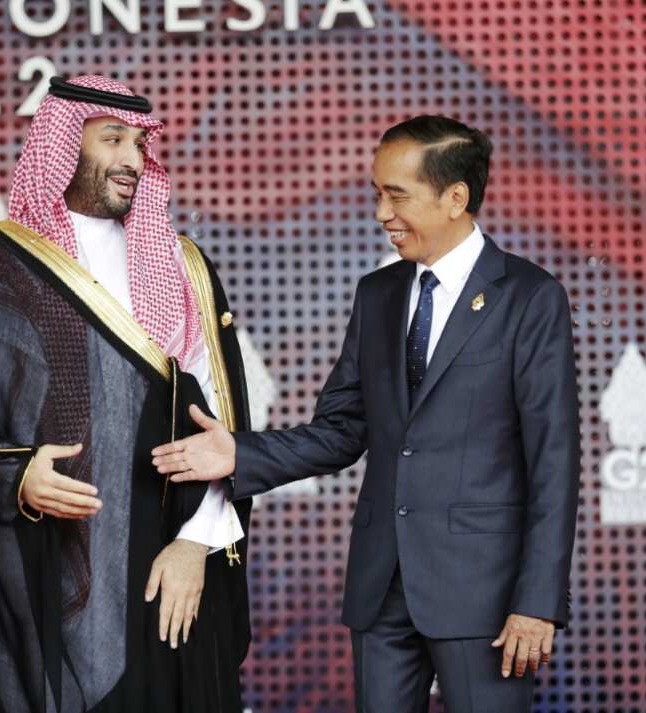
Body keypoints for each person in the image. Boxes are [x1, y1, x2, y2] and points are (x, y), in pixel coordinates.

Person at [152, 115, 581, 713]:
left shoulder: (530, 297)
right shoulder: (377, 294)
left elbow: (554, 461)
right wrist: (238, 454)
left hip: (484, 594)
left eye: (397, 195)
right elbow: (343, 429)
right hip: (381, 590)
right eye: (377, 193)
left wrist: (537, 601)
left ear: (455, 198)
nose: (382, 212)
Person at [0, 74, 253, 713]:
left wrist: (199, 541)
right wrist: (17, 471)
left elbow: (222, 424)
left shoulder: (182, 264)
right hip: (40, 551)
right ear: (63, 144)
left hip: (163, 552)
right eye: (112, 138)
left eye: (140, 143)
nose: (132, 159)